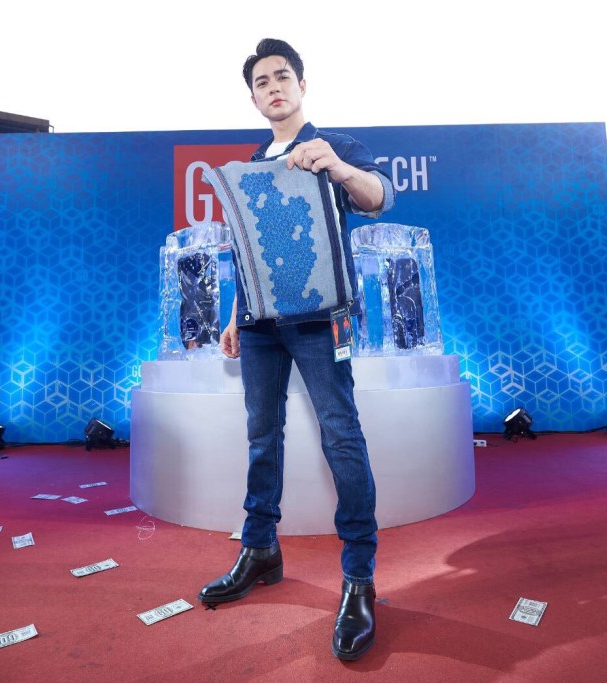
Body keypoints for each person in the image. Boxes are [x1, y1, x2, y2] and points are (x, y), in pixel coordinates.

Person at [197, 39, 395, 662]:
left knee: (341, 435)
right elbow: (250, 251)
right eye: (261, 82)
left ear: (301, 85)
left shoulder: (334, 146)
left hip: (322, 320)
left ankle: (359, 577)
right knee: (262, 435)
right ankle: (260, 549)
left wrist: (337, 167)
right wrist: (236, 314)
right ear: (253, 98)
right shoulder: (250, 166)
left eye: (282, 76)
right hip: (259, 325)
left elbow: (379, 197)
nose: (273, 87)